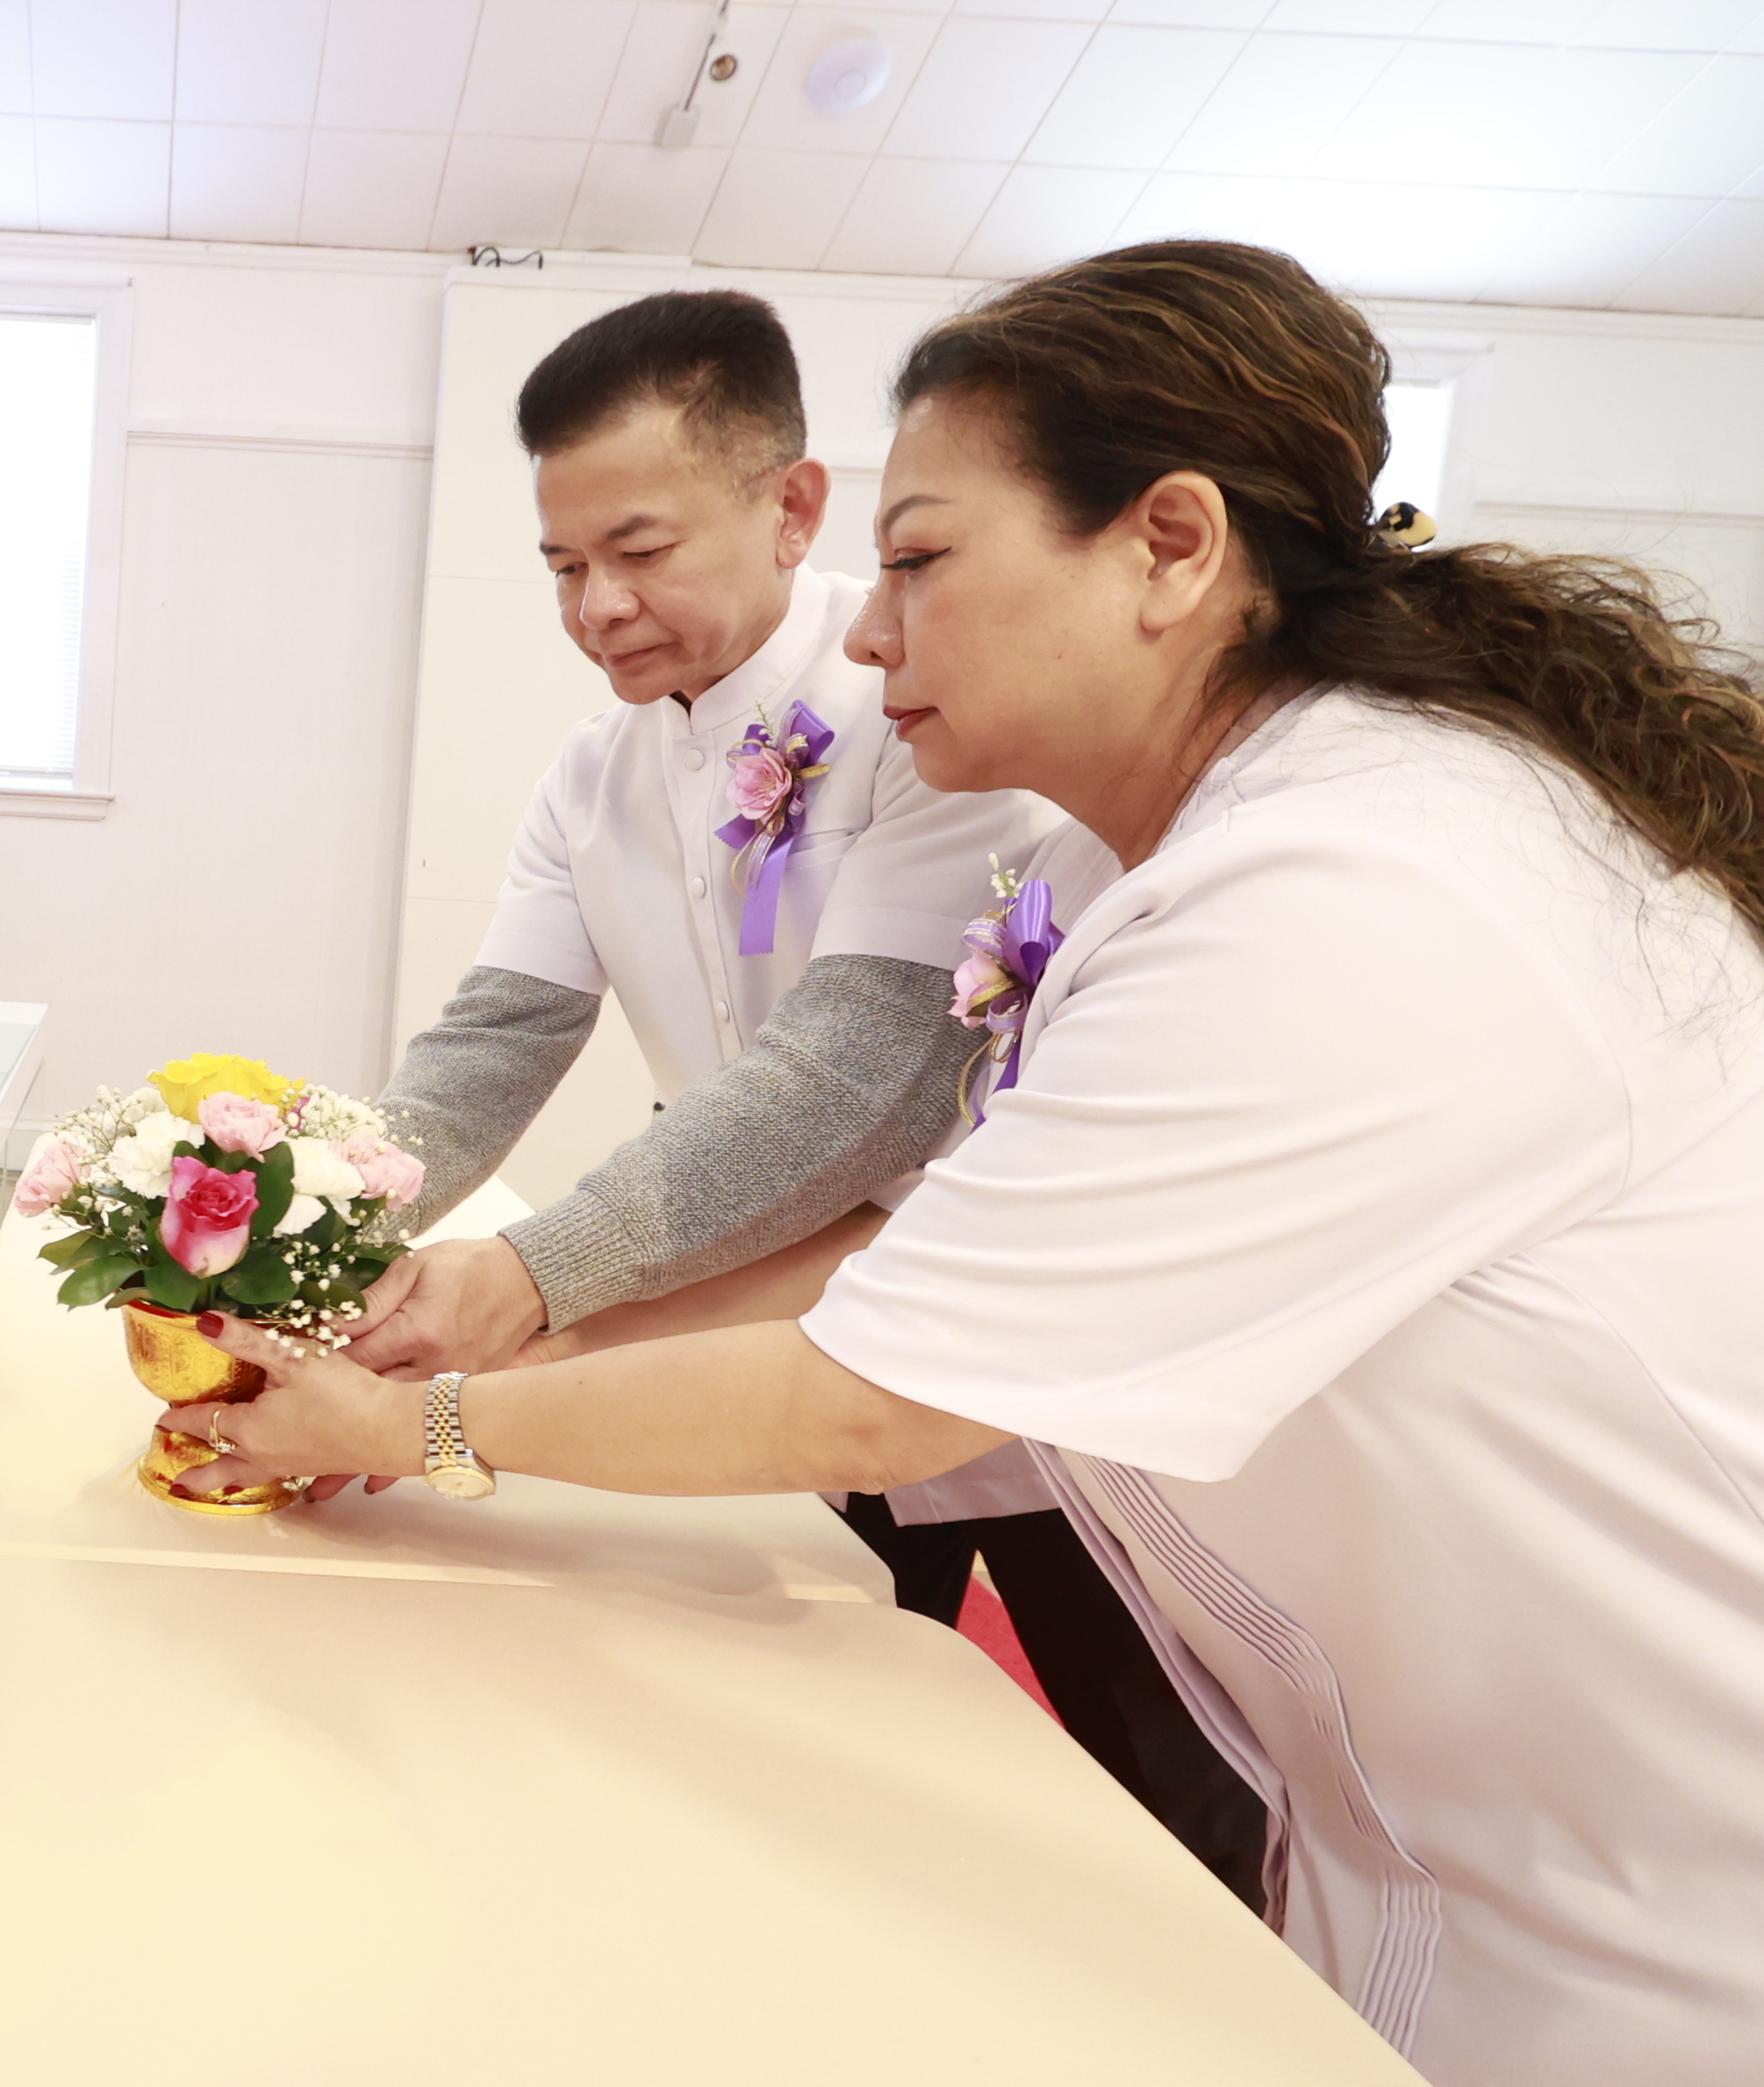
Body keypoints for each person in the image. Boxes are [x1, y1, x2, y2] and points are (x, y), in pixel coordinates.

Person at [172, 240, 1764, 2086]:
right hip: (1445, 1805)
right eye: (562, 567)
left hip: (1653, 1887)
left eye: (921, 565)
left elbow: (878, 1368)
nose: (868, 628)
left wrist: (434, 1418)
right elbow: (921, 1241)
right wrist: (456, 1317)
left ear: (1169, 546)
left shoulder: (1355, 886)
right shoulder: (1180, 852)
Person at [353, 289, 1260, 1898]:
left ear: (788, 505)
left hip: (1026, 1366)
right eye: (562, 566)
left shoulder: (931, 710)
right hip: (784, 1335)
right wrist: (299, 1220)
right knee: (832, 1781)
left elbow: (851, 1082)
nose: (595, 606)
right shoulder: (592, 774)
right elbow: (491, 1044)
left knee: (1168, 1818)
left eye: (636, 550)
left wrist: (523, 1278)